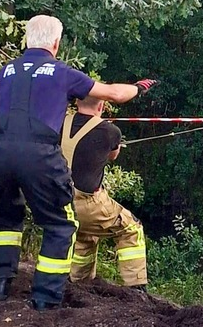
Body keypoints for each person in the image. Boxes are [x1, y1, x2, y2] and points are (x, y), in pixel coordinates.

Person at [0, 15, 155, 310]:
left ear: (27, 40)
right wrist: (139, 87)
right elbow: (113, 93)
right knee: (61, 224)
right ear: (56, 43)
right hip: (38, 154)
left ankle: (0, 284)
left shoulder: (6, 70)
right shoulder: (61, 72)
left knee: (6, 213)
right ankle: (45, 298)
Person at [62, 100, 148, 290]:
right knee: (131, 229)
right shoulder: (110, 131)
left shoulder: (60, 122)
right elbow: (113, 155)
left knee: (85, 234)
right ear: (101, 106)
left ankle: (79, 282)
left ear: (77, 102)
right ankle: (136, 287)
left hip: (59, 200)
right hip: (87, 201)